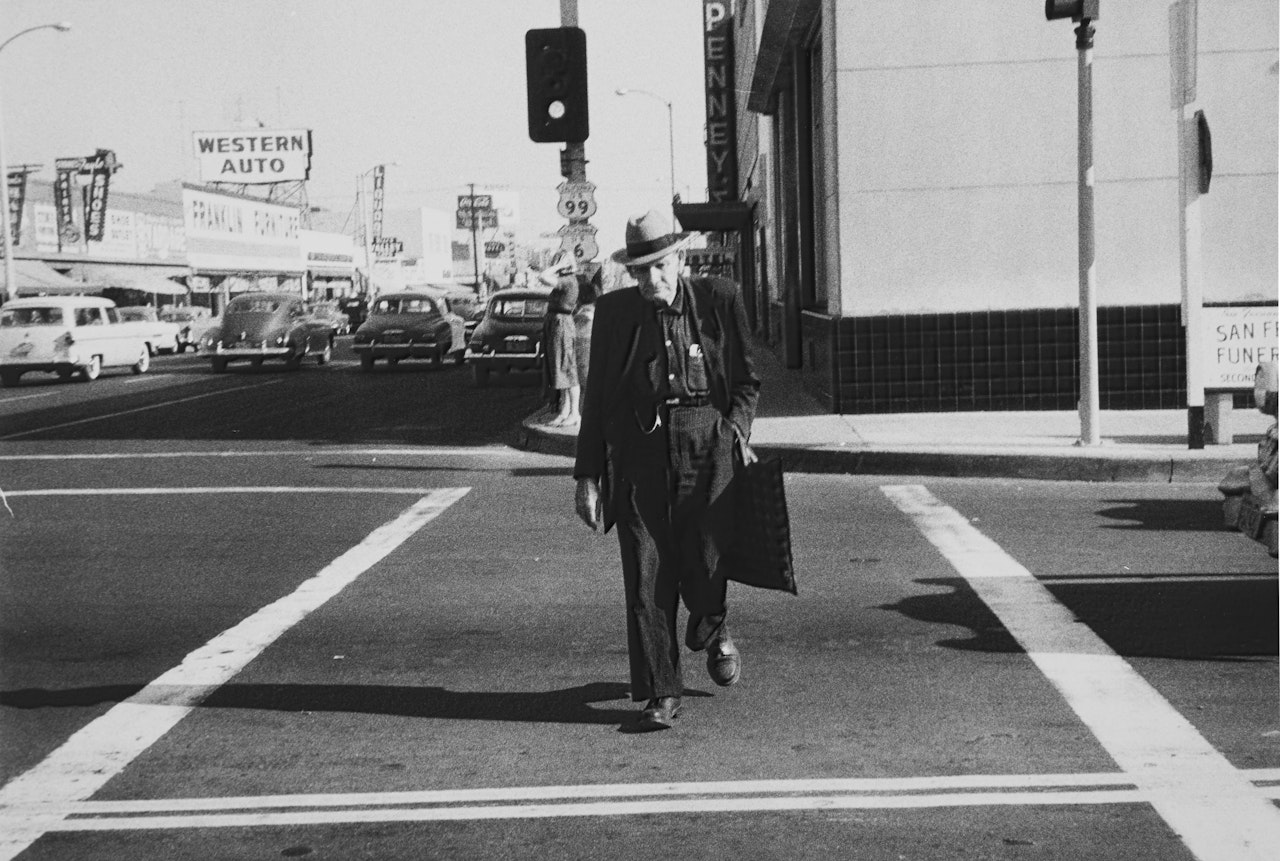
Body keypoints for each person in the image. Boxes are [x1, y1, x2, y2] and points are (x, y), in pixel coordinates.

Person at [574, 210, 760, 731]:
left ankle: (713, 625)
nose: (650, 280)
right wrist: (587, 475)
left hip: (707, 445)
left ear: (679, 258)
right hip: (640, 453)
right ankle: (661, 690)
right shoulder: (615, 316)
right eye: (640, 271)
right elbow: (596, 401)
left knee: (705, 561)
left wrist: (736, 432)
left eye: (659, 266)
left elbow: (747, 381)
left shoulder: (720, 299)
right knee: (646, 575)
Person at [540, 261, 580, 427]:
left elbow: (543, 277)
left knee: (566, 367)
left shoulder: (568, 280)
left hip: (561, 323)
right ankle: (565, 411)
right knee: (558, 369)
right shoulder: (565, 280)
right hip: (555, 322)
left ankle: (574, 413)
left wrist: (559, 265)